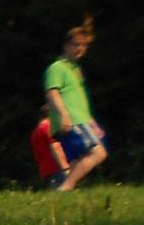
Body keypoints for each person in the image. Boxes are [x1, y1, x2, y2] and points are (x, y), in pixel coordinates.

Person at [44, 24, 107, 191]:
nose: (80, 48)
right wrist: (64, 116)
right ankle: (66, 187)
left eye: (84, 45)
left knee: (78, 159)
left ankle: (64, 189)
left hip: (81, 119)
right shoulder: (57, 68)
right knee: (98, 153)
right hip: (72, 119)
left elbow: (78, 100)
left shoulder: (75, 69)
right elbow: (52, 93)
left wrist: (92, 122)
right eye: (76, 44)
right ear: (66, 45)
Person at [28, 108, 70, 188]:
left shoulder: (35, 132)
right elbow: (55, 147)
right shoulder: (48, 127)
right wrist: (65, 168)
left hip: (46, 171)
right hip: (57, 169)